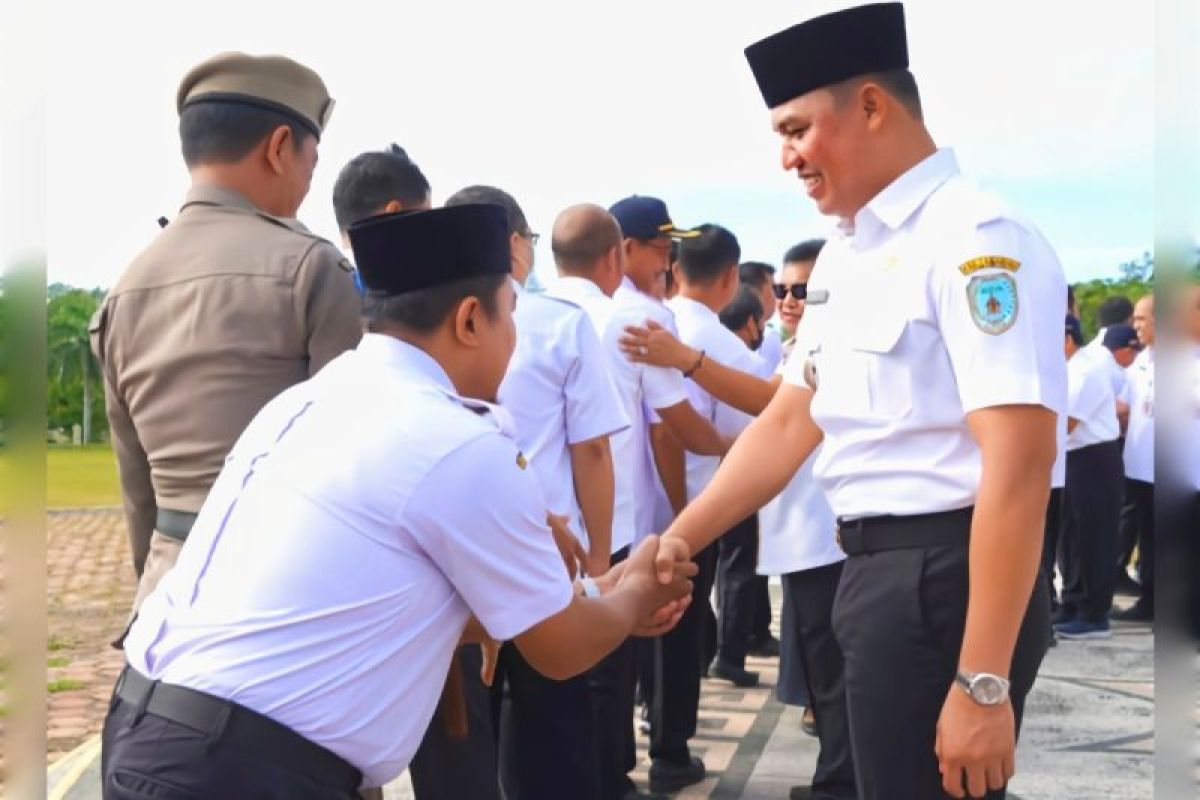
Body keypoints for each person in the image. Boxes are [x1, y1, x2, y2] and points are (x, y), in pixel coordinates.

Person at [101, 204, 697, 800]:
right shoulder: (457, 439)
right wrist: (636, 593)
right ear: (470, 320)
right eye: (509, 315)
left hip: (148, 726)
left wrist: (599, 592)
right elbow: (560, 648)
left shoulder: (313, 400)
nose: (514, 340)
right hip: (242, 771)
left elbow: (382, 607)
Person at [646, 5, 1066, 798]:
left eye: (797, 129)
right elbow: (789, 419)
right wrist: (679, 539)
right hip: (872, 575)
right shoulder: (848, 253)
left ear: (872, 105)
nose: (786, 158)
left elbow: (1019, 466)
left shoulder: (977, 238)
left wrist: (983, 682)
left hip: (944, 581)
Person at [90, 52, 362, 630]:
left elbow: (137, 490)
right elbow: (353, 465)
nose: (309, 180)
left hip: (167, 599)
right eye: (311, 162)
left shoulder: (124, 290)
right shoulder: (313, 268)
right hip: (287, 598)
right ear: (279, 147)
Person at [549, 201, 730, 799]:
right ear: (619, 251)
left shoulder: (532, 312)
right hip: (619, 516)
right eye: (658, 247)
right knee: (615, 661)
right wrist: (694, 502)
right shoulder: (640, 319)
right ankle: (636, 769)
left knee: (553, 667)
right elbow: (665, 428)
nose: (666, 261)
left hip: (551, 520)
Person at [486, 186, 629, 800]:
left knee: (471, 723)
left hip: (465, 549)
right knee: (556, 720)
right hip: (550, 558)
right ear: (517, 245)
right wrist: (600, 558)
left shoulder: (422, 329)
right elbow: (591, 450)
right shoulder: (558, 323)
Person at [1055, 315, 1123, 639]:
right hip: (1072, 459)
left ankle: (1094, 613)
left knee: (1093, 537)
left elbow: (1065, 424)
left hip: (1093, 459)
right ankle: (1071, 603)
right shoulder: (1067, 369)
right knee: (1071, 537)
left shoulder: (1087, 371)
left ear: (1067, 338)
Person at [1111, 295, 1155, 622]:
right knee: (1150, 540)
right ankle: (1150, 602)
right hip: (1139, 467)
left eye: (1141, 319)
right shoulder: (1141, 362)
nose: (1135, 326)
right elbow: (1123, 407)